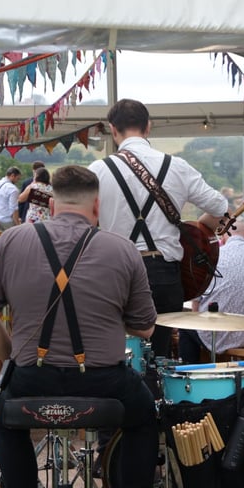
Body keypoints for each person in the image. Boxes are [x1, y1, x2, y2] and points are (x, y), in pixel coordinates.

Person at [0, 165, 158, 488]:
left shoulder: (11, 240)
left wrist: (14, 360)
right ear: (97, 207)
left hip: (32, 377)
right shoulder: (123, 249)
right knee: (146, 415)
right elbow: (145, 329)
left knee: (4, 419)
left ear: (52, 204)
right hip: (104, 381)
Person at [89, 98, 228, 358]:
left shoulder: (98, 170)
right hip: (164, 273)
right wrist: (200, 227)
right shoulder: (176, 167)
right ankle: (154, 396)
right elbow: (219, 205)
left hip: (115, 271)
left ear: (112, 129)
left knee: (113, 350)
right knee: (160, 355)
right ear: (148, 127)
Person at [178, 220, 244, 363]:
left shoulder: (212, 257)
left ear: (223, 238)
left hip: (216, 338)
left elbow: (196, 306)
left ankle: (190, 375)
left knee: (185, 327)